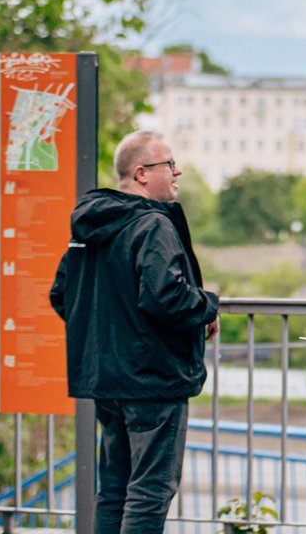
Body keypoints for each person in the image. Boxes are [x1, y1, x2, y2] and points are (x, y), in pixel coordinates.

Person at [50, 130, 219, 534]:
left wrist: (108, 337)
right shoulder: (151, 225)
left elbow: (62, 294)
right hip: (153, 380)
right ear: (141, 173)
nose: (177, 171)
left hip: (108, 381)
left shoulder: (90, 226)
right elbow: (167, 298)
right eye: (169, 164)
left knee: (115, 490)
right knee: (150, 491)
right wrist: (208, 305)